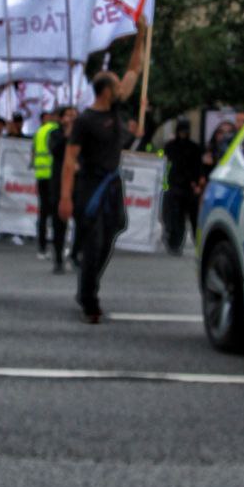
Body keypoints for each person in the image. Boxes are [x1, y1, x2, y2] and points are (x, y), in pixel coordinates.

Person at [59, 19, 147, 323]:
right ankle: (89, 298)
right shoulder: (85, 121)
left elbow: (134, 70)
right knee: (95, 242)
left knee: (111, 235)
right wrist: (65, 198)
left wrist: (141, 37)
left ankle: (88, 276)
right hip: (90, 186)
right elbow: (69, 160)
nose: (122, 87)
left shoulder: (115, 110)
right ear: (106, 91)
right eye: (116, 84)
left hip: (113, 185)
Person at [162, 119, 203, 255]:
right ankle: (175, 243)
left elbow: (197, 166)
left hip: (187, 187)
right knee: (176, 218)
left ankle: (194, 243)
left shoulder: (192, 148)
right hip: (176, 186)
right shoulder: (172, 146)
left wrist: (196, 183)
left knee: (190, 217)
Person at [47, 105, 77, 273]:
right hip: (59, 183)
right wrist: (67, 133)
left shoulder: (82, 135)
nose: (71, 118)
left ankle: (75, 253)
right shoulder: (55, 134)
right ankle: (58, 257)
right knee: (59, 222)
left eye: (74, 115)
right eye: (68, 115)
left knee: (84, 219)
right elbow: (55, 150)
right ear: (61, 118)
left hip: (78, 182)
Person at [31, 109, 59, 260]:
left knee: (43, 212)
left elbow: (33, 152)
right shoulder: (55, 130)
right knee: (55, 213)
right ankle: (57, 245)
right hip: (52, 174)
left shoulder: (39, 131)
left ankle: (42, 247)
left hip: (41, 174)